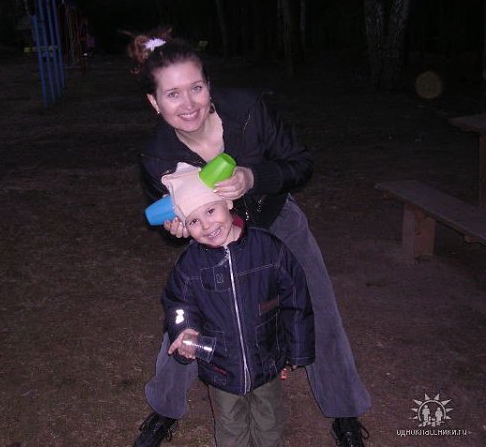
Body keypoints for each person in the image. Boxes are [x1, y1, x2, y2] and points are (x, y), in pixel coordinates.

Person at [128, 29, 371, 447]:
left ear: (209, 85)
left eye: (196, 88)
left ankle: (344, 410)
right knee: (189, 321)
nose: (188, 104)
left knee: (319, 309)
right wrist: (177, 230)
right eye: (173, 94)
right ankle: (165, 409)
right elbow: (164, 218)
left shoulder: (250, 111)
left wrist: (254, 177)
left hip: (277, 222)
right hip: (213, 239)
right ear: (154, 102)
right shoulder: (157, 157)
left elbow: (301, 164)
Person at [157, 161, 315, 446]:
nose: (207, 225)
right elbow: (178, 304)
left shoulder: (268, 249)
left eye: (210, 211)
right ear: (184, 227)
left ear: (227, 203)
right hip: (221, 366)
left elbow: (295, 298)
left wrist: (298, 349)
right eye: (193, 221)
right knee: (230, 427)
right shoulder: (190, 265)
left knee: (269, 421)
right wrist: (185, 329)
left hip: (267, 358)